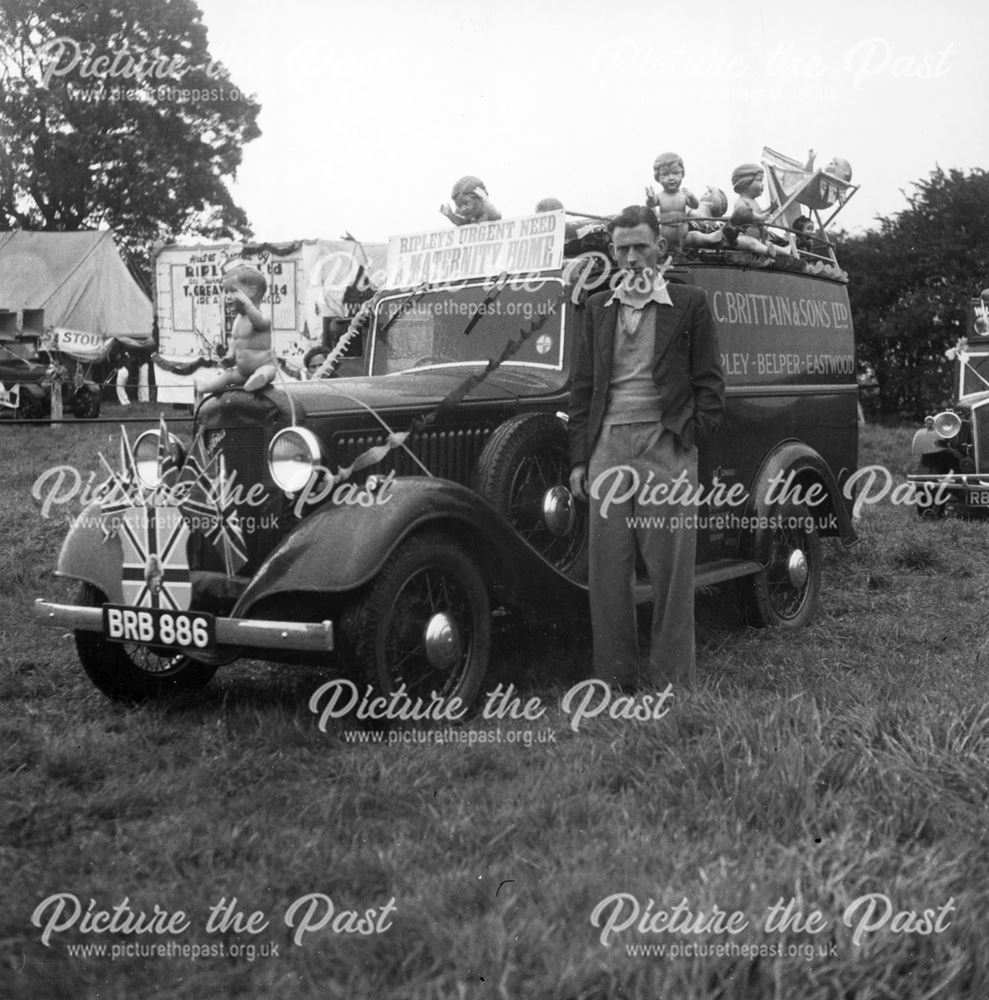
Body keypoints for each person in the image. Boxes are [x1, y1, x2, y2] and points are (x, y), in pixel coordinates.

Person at [568, 205, 725, 689]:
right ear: (612, 254)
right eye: (622, 249)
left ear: (661, 248)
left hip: (666, 446)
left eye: (640, 247)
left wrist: (688, 438)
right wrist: (580, 459)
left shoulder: (690, 302)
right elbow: (582, 388)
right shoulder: (596, 307)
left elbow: (711, 385)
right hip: (608, 447)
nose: (632, 258)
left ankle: (672, 681)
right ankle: (615, 679)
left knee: (672, 572)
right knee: (608, 572)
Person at [194, 265, 278, 396]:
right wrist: (230, 354)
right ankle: (205, 386)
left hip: (262, 366)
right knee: (227, 376)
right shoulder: (238, 319)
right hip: (241, 372)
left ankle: (258, 379)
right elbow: (235, 340)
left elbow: (258, 322)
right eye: (226, 292)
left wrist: (247, 304)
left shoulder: (263, 317)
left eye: (233, 291)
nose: (227, 296)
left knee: (269, 371)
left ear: (251, 292)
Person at [645, 152, 699, 250]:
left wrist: (691, 197)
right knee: (655, 244)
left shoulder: (683, 194)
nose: (671, 178)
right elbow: (651, 204)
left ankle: (714, 238)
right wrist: (650, 198)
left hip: (683, 234)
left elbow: (695, 205)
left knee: (696, 237)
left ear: (682, 174)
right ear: (658, 178)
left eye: (675, 173)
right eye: (665, 175)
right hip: (665, 234)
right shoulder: (660, 196)